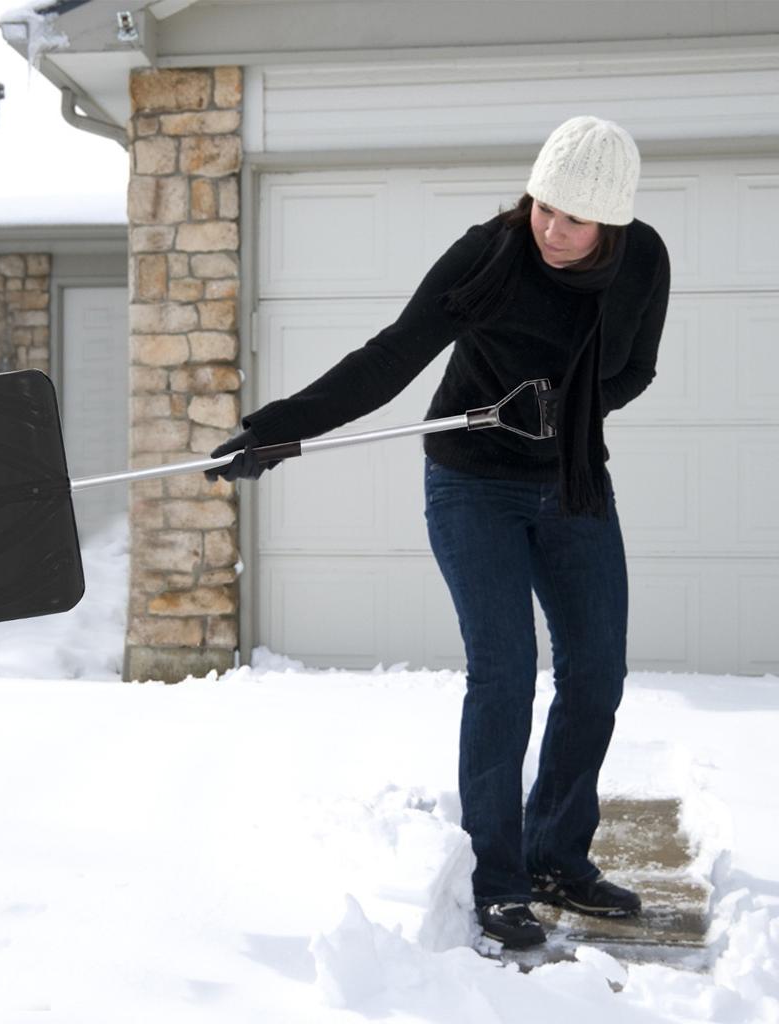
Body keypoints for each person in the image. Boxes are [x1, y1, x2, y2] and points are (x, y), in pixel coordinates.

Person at [206, 116, 671, 950]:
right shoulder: (488, 256)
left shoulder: (644, 261)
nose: (551, 227)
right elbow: (390, 358)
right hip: (471, 483)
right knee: (504, 674)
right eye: (543, 205)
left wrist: (569, 411)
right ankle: (499, 882)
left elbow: (635, 367)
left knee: (597, 672)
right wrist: (280, 431)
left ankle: (557, 855)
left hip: (571, 482)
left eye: (573, 218)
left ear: (613, 223)